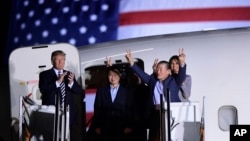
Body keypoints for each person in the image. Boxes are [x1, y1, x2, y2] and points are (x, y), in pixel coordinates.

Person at [125, 49, 187, 141]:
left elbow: (181, 75)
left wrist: (182, 63)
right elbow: (142, 74)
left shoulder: (174, 81)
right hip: (155, 114)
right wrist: (132, 63)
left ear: (168, 71)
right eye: (157, 69)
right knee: (154, 137)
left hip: (171, 114)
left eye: (161, 69)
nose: (158, 71)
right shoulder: (152, 80)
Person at [38, 50, 84, 141]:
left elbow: (78, 91)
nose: (61, 62)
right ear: (52, 61)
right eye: (58, 59)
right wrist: (57, 82)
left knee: (68, 137)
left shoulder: (69, 74)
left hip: (68, 114)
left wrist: (71, 83)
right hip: (52, 113)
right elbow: (43, 90)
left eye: (63, 59)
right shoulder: (44, 74)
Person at [91, 57, 133, 141]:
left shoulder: (126, 92)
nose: (113, 78)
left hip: (121, 127)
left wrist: (129, 125)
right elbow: (97, 108)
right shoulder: (102, 91)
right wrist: (97, 126)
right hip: (105, 126)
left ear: (119, 76)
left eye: (115, 75)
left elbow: (130, 109)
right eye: (110, 75)